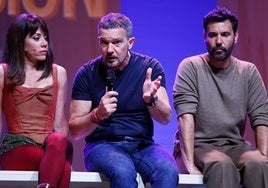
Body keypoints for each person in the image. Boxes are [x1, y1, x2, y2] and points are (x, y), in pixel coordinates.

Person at [69, 12, 178, 188]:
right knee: (122, 170)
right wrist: (97, 115)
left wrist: (151, 100)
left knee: (167, 169)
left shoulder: (149, 68)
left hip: (142, 145)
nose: (110, 50)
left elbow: (165, 118)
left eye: (117, 42)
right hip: (101, 146)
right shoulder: (87, 73)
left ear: (131, 43)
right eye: (104, 43)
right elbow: (75, 130)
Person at [173, 6, 268, 188]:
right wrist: (191, 165)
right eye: (212, 35)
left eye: (225, 34)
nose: (218, 41)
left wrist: (264, 156)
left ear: (235, 36)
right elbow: (186, 118)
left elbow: (261, 118)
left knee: (258, 164)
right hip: (198, 145)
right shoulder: (191, 67)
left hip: (235, 145)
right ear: (204, 36)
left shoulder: (248, 72)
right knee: (222, 165)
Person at [0, 13, 73, 188]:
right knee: (61, 168)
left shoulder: (58, 73)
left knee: (59, 141)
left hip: (52, 146)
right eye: (36, 38)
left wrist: (62, 152)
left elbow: (59, 125)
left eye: (45, 38)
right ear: (19, 42)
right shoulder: (3, 72)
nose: (44, 43)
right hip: (18, 147)